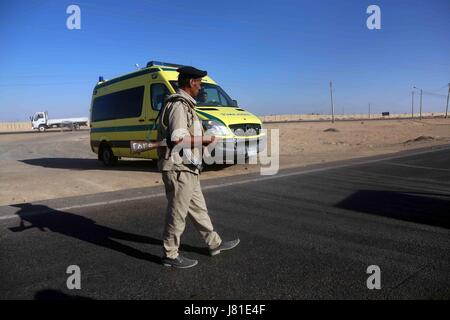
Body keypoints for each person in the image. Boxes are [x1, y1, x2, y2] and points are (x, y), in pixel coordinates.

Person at [157, 66, 240, 269]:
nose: (201, 87)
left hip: (189, 167)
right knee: (178, 212)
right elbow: (178, 138)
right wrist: (206, 138)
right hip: (179, 168)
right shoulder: (178, 105)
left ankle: (215, 243)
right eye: (200, 83)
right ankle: (170, 254)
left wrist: (204, 143)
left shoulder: (187, 106)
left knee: (199, 210)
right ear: (191, 83)